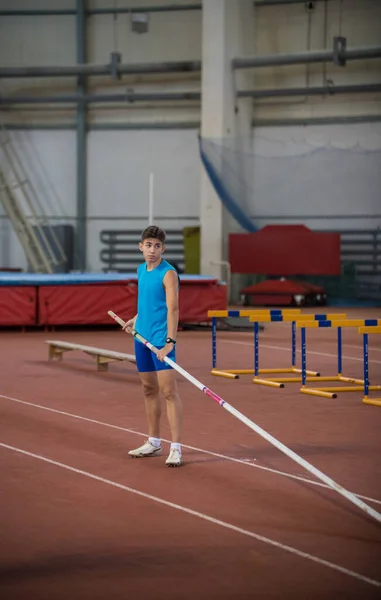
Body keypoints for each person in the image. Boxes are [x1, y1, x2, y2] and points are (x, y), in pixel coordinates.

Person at [122, 225, 183, 467]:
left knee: (169, 392)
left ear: (163, 248)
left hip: (160, 341)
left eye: (157, 246)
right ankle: (154, 442)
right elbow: (147, 301)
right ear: (141, 247)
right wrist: (136, 319)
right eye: (148, 245)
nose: (152, 250)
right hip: (141, 338)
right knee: (149, 390)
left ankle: (176, 447)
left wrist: (169, 342)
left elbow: (173, 309)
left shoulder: (168, 274)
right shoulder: (141, 270)